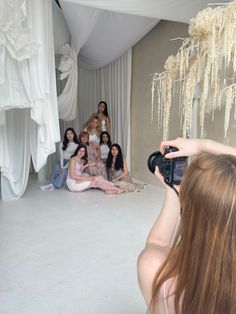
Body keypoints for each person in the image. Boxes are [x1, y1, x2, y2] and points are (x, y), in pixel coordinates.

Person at [137, 138, 236, 314]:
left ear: (190, 209)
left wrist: (174, 192)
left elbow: (156, 243)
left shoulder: (155, 271)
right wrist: (203, 145)